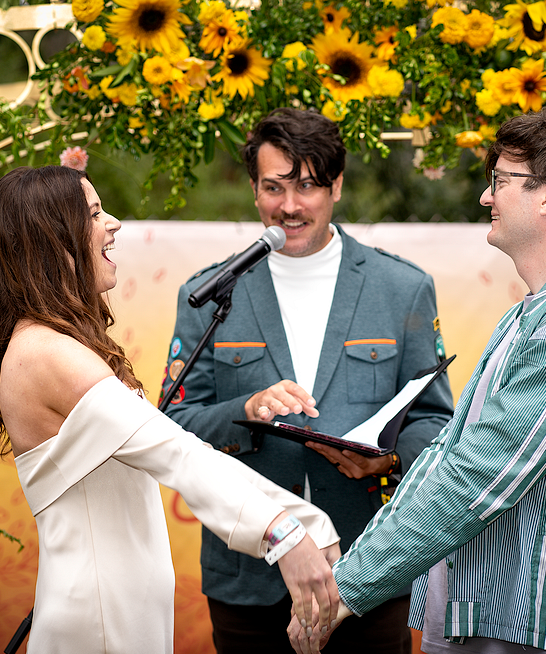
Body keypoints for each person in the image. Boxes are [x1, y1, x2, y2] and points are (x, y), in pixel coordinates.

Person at [294, 108, 546, 654]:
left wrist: (346, 587)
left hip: (536, 623)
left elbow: (479, 476)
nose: (487, 197)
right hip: (492, 614)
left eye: (501, 180)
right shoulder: (542, 309)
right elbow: (451, 456)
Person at [0, 165, 342, 654]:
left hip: (118, 612)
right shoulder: (46, 353)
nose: (113, 223)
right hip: (99, 623)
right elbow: (178, 454)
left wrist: (309, 525)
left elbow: (182, 451)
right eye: (94, 213)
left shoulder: (52, 344)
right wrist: (284, 536)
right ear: (53, 239)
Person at [161, 108, 454, 653]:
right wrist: (245, 409)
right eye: (274, 187)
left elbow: (435, 420)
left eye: (308, 186)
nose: (290, 206)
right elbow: (173, 423)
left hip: (371, 567)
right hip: (248, 578)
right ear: (254, 190)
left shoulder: (402, 287)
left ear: (336, 186)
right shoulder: (209, 294)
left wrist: (388, 459)